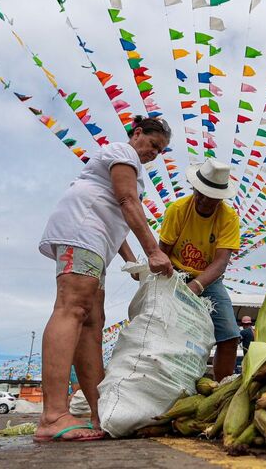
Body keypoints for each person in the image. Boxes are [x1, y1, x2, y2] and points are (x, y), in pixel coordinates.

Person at [35, 116, 174, 442]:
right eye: (153, 144)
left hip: (98, 240)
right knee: (72, 308)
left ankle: (100, 413)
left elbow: (117, 218)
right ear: (137, 133)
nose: (155, 153)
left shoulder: (131, 166)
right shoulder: (122, 152)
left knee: (92, 322)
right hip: (82, 230)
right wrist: (154, 251)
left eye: (161, 151)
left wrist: (132, 261)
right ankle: (52, 415)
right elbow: (126, 201)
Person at [158, 159, 241, 382]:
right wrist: (170, 284)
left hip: (209, 279)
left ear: (221, 197)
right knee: (165, 330)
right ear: (194, 188)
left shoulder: (229, 218)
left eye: (211, 197)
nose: (204, 200)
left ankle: (222, 387)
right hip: (174, 274)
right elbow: (163, 252)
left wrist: (196, 286)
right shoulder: (177, 210)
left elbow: (221, 262)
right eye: (201, 194)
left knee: (229, 336)